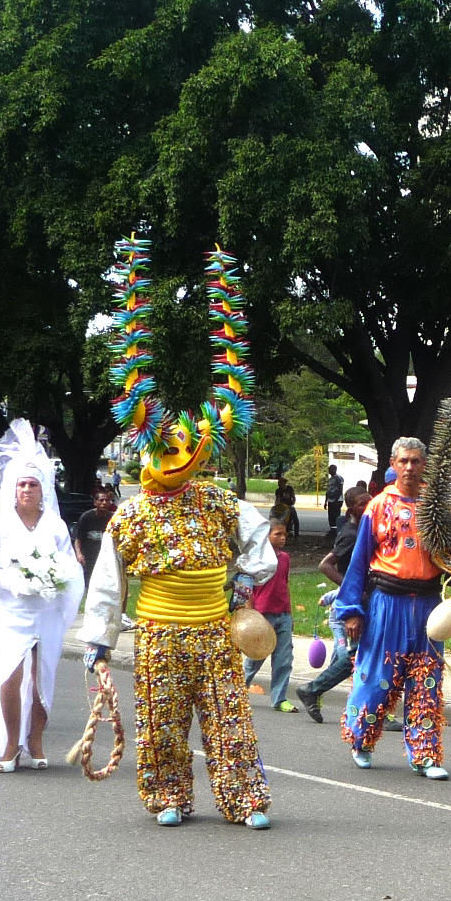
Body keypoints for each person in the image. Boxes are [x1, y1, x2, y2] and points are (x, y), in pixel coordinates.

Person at [79, 232, 274, 829]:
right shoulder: (132, 513)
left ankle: (245, 800)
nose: (175, 454)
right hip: (160, 634)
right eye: (164, 445)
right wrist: (99, 643)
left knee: (229, 718)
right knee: (160, 719)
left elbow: (261, 545)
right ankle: (168, 796)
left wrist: (241, 590)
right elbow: (109, 580)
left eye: (186, 446)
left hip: (215, 633)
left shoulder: (218, 503)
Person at [0, 420, 85, 772]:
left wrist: (56, 580)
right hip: (14, 611)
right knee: (10, 674)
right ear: (12, 489)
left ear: (43, 489)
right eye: (21, 484)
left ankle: (36, 741)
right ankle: (9, 743)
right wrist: (12, 580)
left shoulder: (55, 525)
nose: (27, 490)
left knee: (41, 677)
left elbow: (68, 566)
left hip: (46, 610)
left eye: (33, 484)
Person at [336, 437, 449, 777]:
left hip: (429, 607)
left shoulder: (437, 509)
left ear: (424, 464)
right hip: (387, 603)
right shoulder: (379, 507)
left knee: (427, 679)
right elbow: (358, 564)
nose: (410, 467)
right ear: (393, 463)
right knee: (376, 678)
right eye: (404, 461)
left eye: (416, 461)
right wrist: (352, 610)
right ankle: (362, 740)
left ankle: (425, 754)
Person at [293, 481, 369, 722]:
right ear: (352, 509)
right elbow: (325, 564)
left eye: (369, 500)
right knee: (356, 656)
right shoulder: (350, 534)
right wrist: (350, 589)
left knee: (365, 655)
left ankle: (371, 709)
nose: (368, 505)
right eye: (362, 503)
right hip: (357, 604)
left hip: (368, 600)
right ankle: (312, 690)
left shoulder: (366, 529)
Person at [243, 517, 297, 711]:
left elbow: (285, 584)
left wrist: (290, 614)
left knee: (283, 659)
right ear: (267, 536)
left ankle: (279, 698)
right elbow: (248, 587)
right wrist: (251, 615)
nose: (283, 538)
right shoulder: (257, 558)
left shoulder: (284, 558)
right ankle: (239, 692)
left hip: (282, 614)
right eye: (278, 534)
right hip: (262, 615)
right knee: (255, 658)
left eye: (285, 534)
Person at [72, 481, 118, 585]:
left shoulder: (113, 518)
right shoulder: (86, 517)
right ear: (95, 502)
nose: (104, 503)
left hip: (106, 557)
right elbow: (78, 539)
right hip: (89, 557)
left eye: (107, 500)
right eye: (101, 500)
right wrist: (79, 554)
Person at [323, 463, 344, 532]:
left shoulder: (339, 478)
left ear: (334, 470)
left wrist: (336, 499)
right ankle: (332, 529)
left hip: (337, 500)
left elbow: (340, 489)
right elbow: (328, 491)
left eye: (330, 469)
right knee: (331, 516)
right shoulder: (330, 479)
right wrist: (326, 502)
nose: (329, 471)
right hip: (330, 500)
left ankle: (337, 530)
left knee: (336, 515)